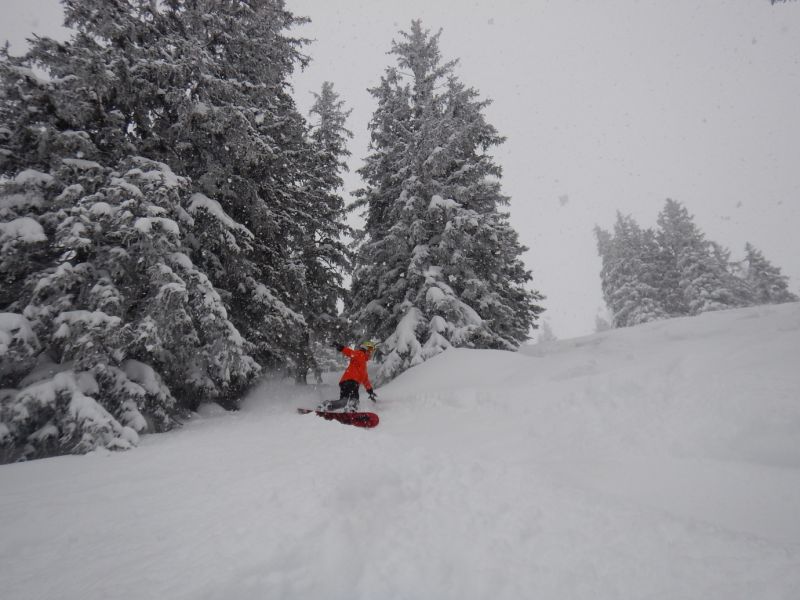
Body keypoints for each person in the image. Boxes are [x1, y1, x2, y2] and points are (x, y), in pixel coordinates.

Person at [319, 340, 378, 412]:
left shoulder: (364, 367)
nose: (371, 353)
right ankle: (352, 409)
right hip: (352, 382)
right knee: (355, 399)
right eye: (370, 350)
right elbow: (350, 352)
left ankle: (327, 405)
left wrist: (370, 392)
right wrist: (340, 347)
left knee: (344, 401)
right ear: (366, 349)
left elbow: (366, 381)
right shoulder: (360, 354)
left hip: (344, 382)